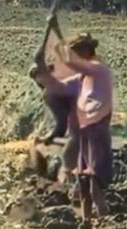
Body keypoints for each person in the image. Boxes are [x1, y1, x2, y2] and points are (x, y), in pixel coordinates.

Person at [53, 30, 114, 229]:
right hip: (86, 129)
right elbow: (60, 84)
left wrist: (57, 37)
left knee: (94, 176)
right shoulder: (84, 76)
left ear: (87, 50)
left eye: (79, 51)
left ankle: (104, 219)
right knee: (83, 175)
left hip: (97, 128)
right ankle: (86, 220)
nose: (77, 55)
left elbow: (70, 61)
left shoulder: (97, 68)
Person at [28, 15, 80, 188]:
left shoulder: (52, 88)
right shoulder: (49, 89)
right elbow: (39, 56)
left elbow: (47, 53)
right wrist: (50, 26)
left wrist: (53, 27)